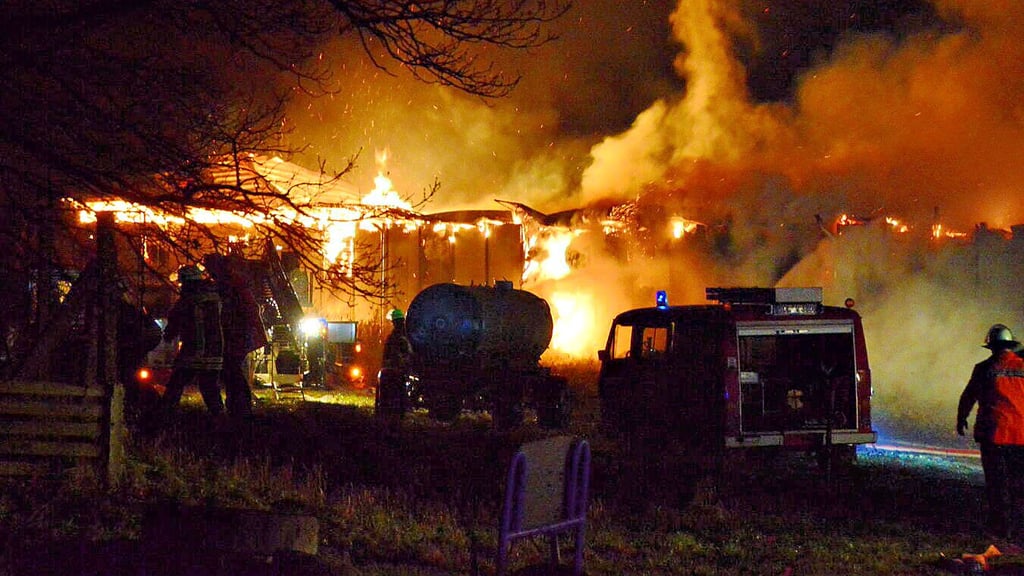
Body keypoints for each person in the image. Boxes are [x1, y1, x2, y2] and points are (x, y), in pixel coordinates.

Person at [957, 324, 1024, 539]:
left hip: (993, 435)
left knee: (997, 485)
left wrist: (962, 418)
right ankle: (1019, 528)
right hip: (1021, 435)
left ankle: (1001, 529)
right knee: (1018, 484)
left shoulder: (984, 368)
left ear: (992, 346)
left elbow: (968, 396)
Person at [204, 254, 267, 421]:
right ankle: (237, 405)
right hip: (236, 334)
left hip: (238, 334)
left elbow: (244, 311)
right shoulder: (232, 283)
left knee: (231, 369)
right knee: (231, 369)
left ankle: (240, 405)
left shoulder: (231, 285)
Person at [157, 265, 225, 420]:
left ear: (187, 282)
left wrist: (166, 336)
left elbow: (172, 328)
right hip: (214, 352)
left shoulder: (186, 302)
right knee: (210, 388)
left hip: (192, 352)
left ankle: (164, 417)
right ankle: (220, 420)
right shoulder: (215, 299)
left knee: (176, 384)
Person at [376, 308, 412, 421]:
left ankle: (387, 410)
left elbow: (388, 354)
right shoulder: (409, 334)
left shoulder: (395, 336)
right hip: (401, 369)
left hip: (395, 370)